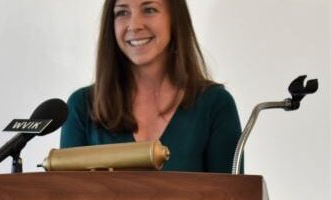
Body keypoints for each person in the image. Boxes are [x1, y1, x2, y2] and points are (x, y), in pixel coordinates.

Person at [60, 0, 242, 173]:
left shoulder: (216, 104)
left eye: (149, 10)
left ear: (175, 18)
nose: (134, 25)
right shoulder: (81, 106)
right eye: (122, 12)